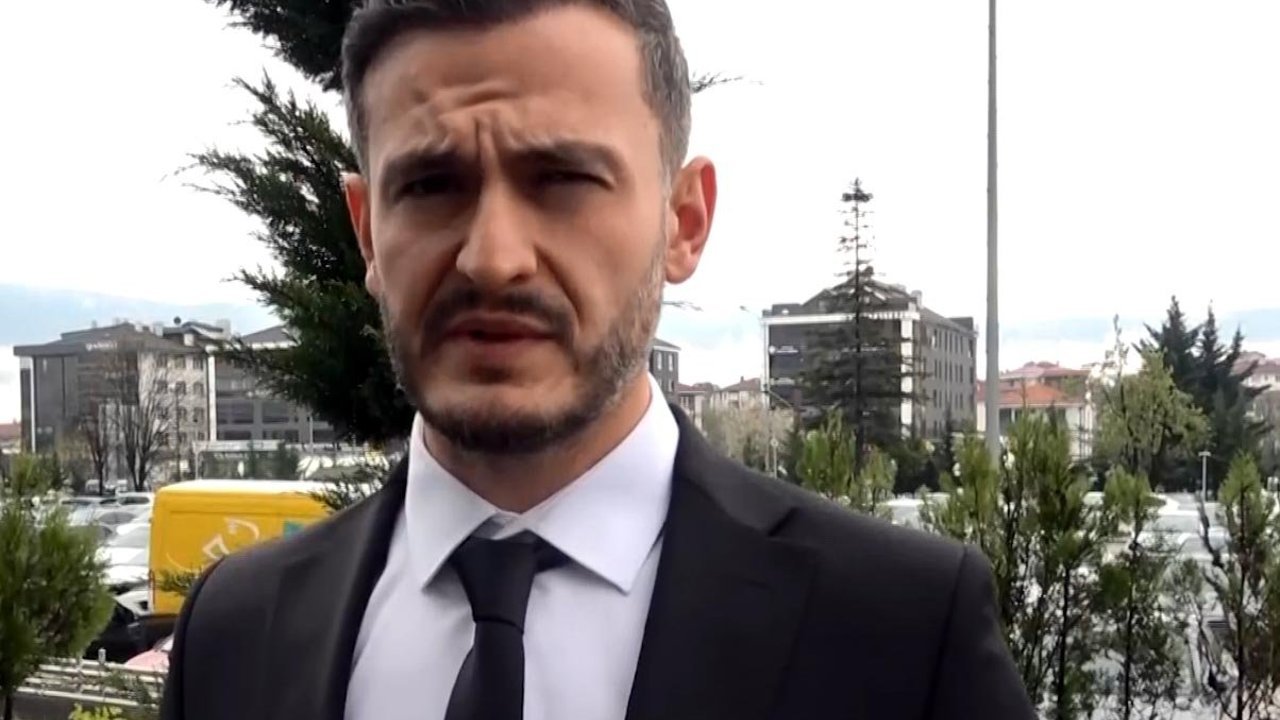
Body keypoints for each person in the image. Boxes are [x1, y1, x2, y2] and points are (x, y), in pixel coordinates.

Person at [160, 1, 1036, 719]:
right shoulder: (235, 635)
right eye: (430, 186)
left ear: (684, 221)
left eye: (562, 180)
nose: (493, 258)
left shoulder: (900, 635)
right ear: (366, 232)